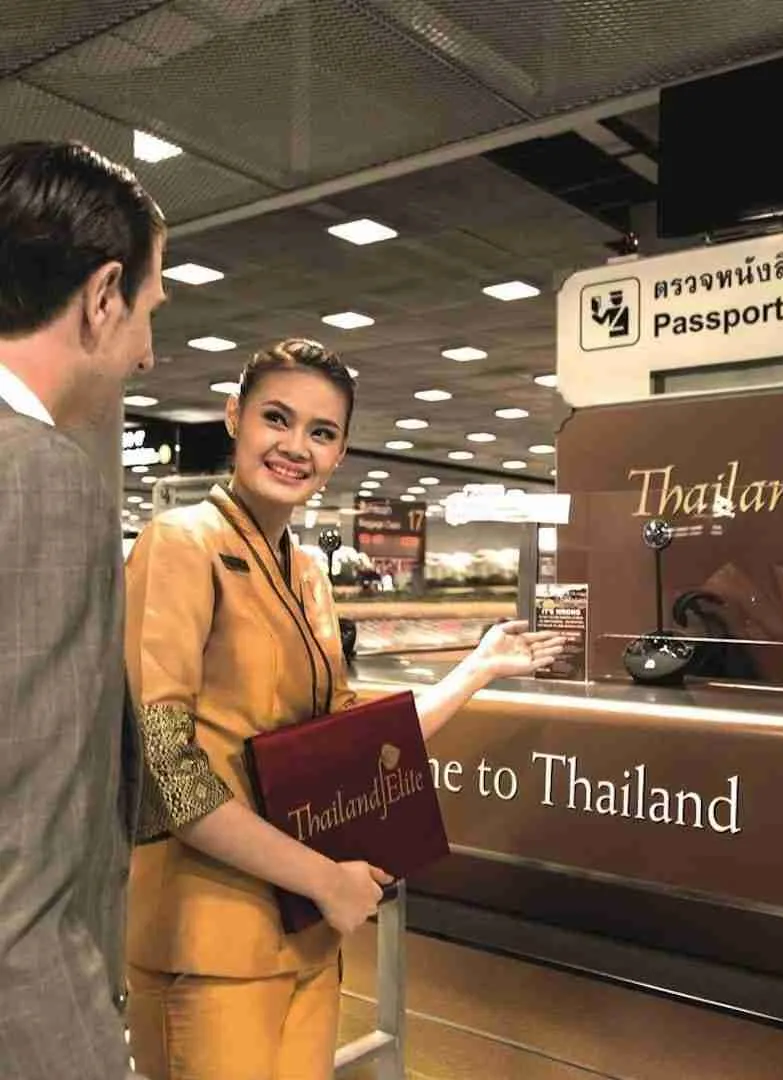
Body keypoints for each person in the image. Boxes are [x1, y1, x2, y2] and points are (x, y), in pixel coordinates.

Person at [123, 338, 564, 1080]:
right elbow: (167, 769)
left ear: (341, 450)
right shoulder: (181, 543)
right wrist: (324, 879)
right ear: (234, 417)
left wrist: (477, 668)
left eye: (322, 433)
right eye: (277, 419)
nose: (296, 447)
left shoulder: (305, 574)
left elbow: (352, 745)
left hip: (305, 932)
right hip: (210, 937)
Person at [0, 141, 166, 1078]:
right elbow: (20, 893)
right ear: (104, 296)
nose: (148, 350)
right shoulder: (43, 480)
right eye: (150, 308)